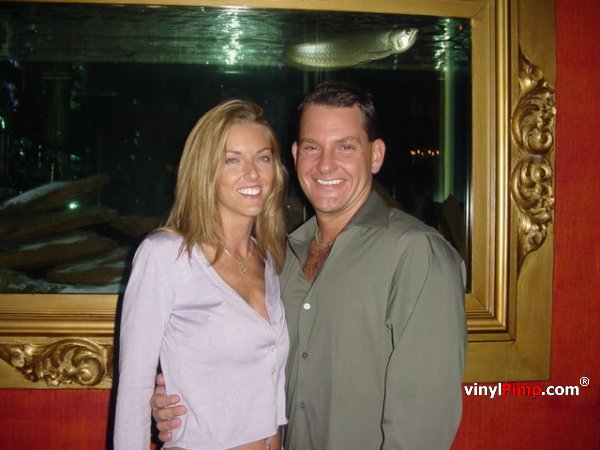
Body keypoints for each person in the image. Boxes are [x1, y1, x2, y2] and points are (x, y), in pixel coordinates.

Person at [151, 82, 467, 449]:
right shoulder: (279, 257)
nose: (325, 164)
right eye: (312, 147)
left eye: (345, 147)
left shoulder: (417, 255)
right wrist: (182, 400)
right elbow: (250, 370)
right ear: (296, 155)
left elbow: (422, 424)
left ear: (375, 155)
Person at [113, 99, 289, 450]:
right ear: (204, 171)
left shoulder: (267, 256)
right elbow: (134, 388)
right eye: (232, 160)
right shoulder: (165, 256)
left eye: (263, 158)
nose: (253, 173)